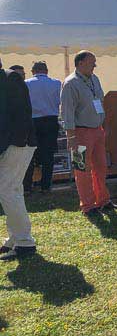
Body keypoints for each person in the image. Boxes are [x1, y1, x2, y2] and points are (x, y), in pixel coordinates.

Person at [60, 51, 117, 216]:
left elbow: (99, 102)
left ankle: (103, 200)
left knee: (101, 167)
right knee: (82, 170)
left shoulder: (94, 79)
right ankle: (87, 205)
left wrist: (103, 126)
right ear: (80, 64)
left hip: (97, 131)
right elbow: (67, 112)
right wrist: (70, 136)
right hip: (79, 132)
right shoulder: (70, 83)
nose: (95, 65)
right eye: (91, 62)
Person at [0, 60, 39, 260]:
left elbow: (22, 114)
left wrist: (18, 142)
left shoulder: (10, 78)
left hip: (17, 145)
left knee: (7, 190)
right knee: (13, 191)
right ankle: (16, 238)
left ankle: (25, 242)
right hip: (10, 145)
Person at [23, 61, 61, 194]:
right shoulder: (57, 83)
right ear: (47, 70)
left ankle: (27, 186)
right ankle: (46, 186)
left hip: (33, 121)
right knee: (48, 155)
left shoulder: (26, 83)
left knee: (30, 155)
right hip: (51, 120)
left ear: (33, 71)